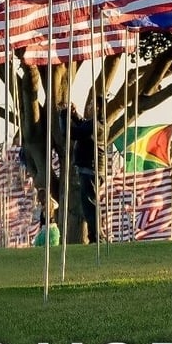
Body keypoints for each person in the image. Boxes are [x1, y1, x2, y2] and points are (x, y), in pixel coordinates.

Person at [67, 103, 106, 244]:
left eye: (92, 104)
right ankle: (95, 235)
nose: (89, 106)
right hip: (92, 169)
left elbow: (73, 133)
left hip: (90, 169)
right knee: (90, 204)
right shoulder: (94, 124)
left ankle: (97, 237)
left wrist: (63, 117)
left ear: (98, 108)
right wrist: (73, 114)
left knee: (90, 205)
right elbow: (82, 123)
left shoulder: (94, 126)